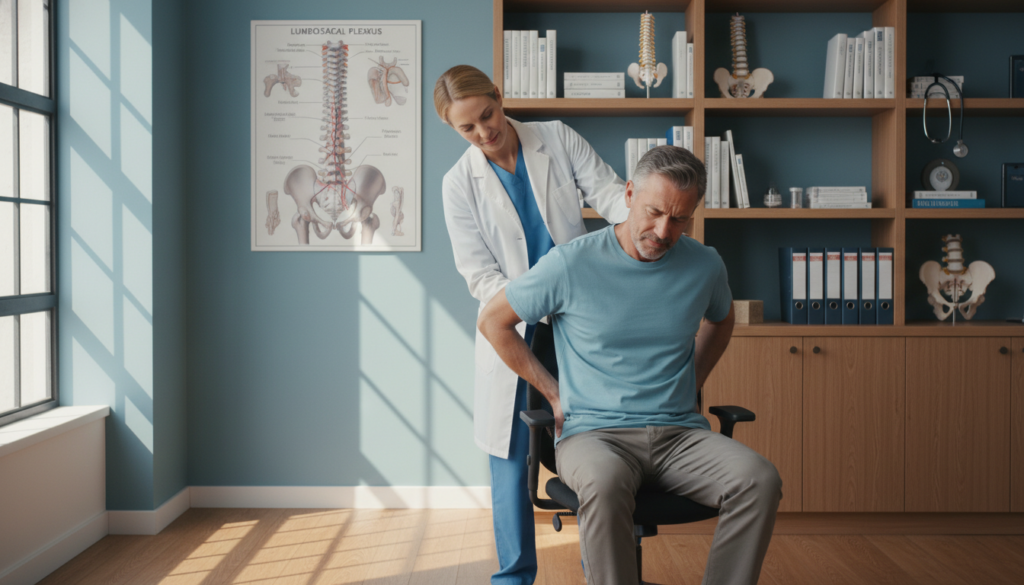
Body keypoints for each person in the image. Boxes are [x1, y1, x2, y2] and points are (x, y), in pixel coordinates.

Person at [477, 145, 783, 585]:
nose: (663, 231)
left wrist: (694, 378)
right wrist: (553, 392)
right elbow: (494, 321)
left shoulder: (705, 265)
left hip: (680, 435)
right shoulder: (571, 262)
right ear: (628, 194)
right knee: (604, 483)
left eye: (679, 219)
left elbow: (722, 318)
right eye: (653, 212)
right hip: (594, 435)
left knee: (759, 480)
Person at [435, 64, 629, 584]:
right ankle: (514, 577)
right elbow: (479, 274)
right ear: (453, 128)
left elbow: (611, 195)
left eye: (487, 115)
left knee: (597, 447)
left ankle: (603, 572)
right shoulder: (458, 184)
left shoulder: (556, 137)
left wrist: (643, 226)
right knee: (512, 458)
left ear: (499, 97)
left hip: (581, 321)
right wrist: (529, 301)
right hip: (515, 325)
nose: (484, 132)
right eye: (467, 127)